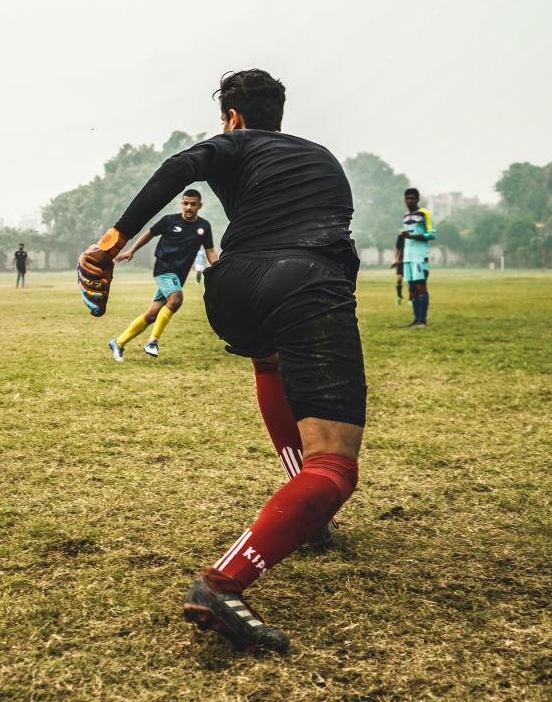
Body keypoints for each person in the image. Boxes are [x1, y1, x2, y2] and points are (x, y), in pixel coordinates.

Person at [78, 69, 364, 652]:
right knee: (334, 467)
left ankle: (304, 511)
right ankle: (222, 582)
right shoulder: (321, 158)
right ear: (276, 115)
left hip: (231, 288)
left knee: (270, 362)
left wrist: (109, 244)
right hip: (306, 279)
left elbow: (177, 168)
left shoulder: (232, 144)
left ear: (232, 118)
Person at [107, 189, 217, 360]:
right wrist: (131, 251)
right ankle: (152, 342)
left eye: (193, 204)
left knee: (151, 315)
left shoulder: (204, 226)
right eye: (185, 203)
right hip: (164, 269)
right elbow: (149, 234)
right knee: (176, 300)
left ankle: (118, 342)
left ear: (199, 206)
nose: (189, 207)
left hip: (178, 276)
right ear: (182, 203)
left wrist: (218, 269)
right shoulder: (169, 221)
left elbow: (210, 250)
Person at [400, 188, 435, 327]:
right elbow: (406, 239)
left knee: (421, 286)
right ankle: (416, 319)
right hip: (408, 257)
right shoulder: (406, 217)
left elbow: (432, 234)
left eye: (412, 198)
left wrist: (412, 236)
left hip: (420, 257)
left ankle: (423, 320)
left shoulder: (424, 213)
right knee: (412, 288)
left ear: (417, 199)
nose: (409, 201)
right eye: (407, 198)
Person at [391, 232, 405, 306]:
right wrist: (394, 259)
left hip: (410, 261)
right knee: (399, 280)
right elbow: (396, 248)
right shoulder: (401, 236)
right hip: (401, 261)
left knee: (411, 281)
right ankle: (399, 297)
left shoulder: (414, 236)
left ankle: (411, 298)